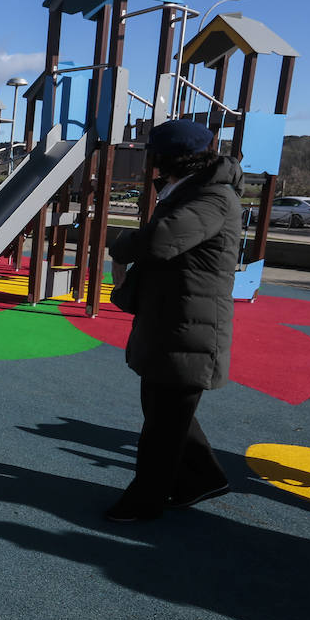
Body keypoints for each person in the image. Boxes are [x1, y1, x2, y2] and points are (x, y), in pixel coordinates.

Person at [105, 119, 243, 522]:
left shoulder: (212, 198)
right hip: (175, 318)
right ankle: (202, 479)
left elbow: (162, 240)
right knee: (166, 411)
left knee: (164, 421)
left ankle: (144, 500)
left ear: (167, 160)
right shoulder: (191, 190)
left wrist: (120, 245)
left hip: (191, 323)